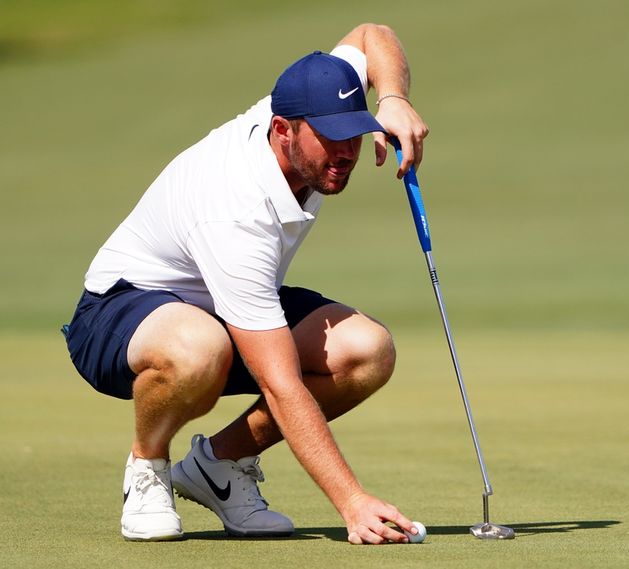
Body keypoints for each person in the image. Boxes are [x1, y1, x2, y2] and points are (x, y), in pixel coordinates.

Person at [62, 23, 429, 544]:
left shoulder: (304, 107)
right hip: (118, 314)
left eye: (354, 130)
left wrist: (391, 98)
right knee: (198, 350)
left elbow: (372, 35)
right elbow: (281, 385)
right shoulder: (235, 210)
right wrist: (352, 501)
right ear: (283, 131)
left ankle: (218, 467)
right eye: (331, 136)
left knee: (366, 351)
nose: (346, 151)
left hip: (217, 304)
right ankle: (148, 466)